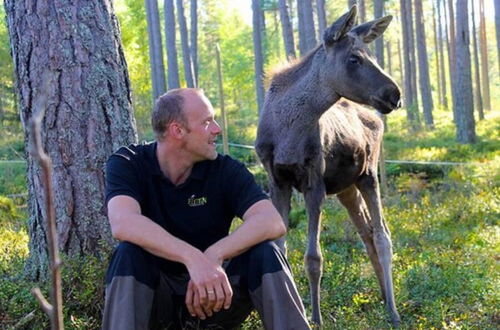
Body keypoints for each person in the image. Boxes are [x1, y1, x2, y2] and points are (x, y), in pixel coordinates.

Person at [102, 88, 310, 330]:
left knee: (266, 253)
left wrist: (213, 257)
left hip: (217, 296)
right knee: (127, 255)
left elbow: (271, 221)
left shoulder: (225, 170)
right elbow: (123, 223)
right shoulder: (128, 163)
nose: (217, 129)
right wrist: (192, 258)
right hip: (158, 299)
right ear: (177, 130)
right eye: (207, 122)